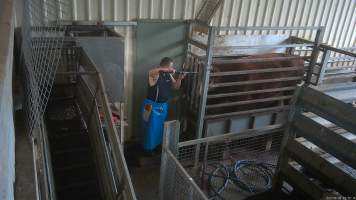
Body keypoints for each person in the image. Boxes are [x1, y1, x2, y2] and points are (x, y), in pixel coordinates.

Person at [142, 57, 185, 151]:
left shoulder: (169, 75)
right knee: (149, 128)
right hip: (150, 106)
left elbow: (176, 87)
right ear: (164, 66)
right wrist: (167, 70)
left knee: (159, 129)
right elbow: (150, 72)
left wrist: (180, 79)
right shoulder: (155, 73)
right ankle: (146, 150)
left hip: (162, 107)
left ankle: (155, 148)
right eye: (170, 67)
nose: (172, 69)